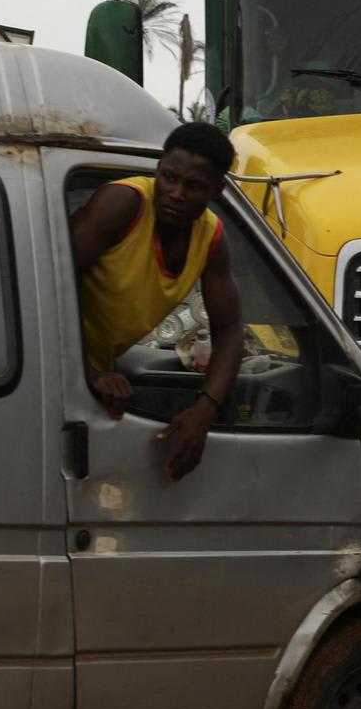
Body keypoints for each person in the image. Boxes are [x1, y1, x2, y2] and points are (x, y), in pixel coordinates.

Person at [72, 121, 247, 481]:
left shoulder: (210, 238)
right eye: (169, 178)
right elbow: (40, 286)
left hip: (96, 378)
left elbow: (230, 330)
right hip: (53, 368)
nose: (176, 194)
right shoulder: (123, 204)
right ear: (158, 169)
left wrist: (204, 410)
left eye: (193, 186)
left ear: (217, 190)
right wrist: (85, 373)